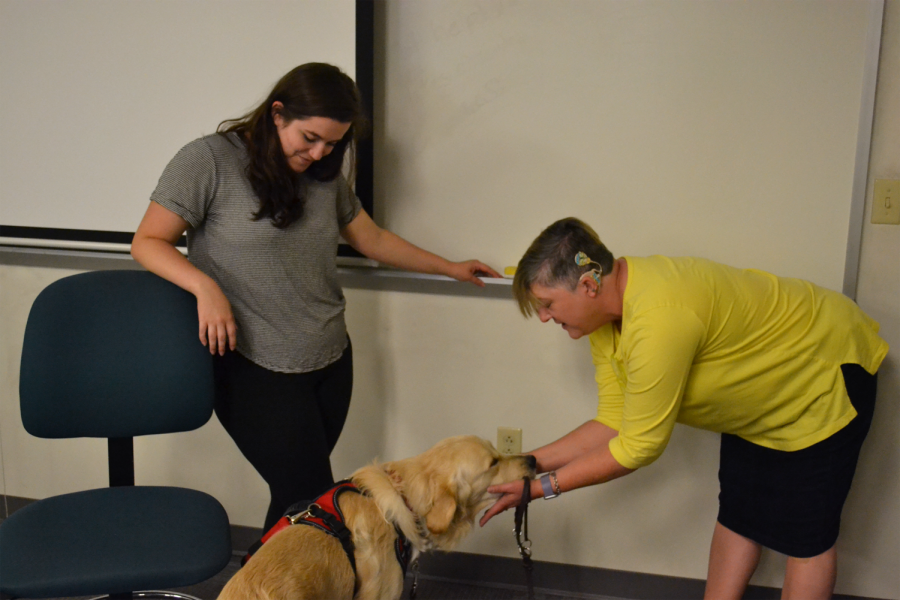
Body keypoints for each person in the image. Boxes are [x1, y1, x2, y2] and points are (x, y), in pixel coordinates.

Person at [132, 63, 500, 532]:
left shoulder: (325, 174)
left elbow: (373, 240)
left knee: (295, 501)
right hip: (252, 366)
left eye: (333, 143)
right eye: (309, 138)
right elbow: (147, 242)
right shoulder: (208, 160)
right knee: (313, 501)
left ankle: (260, 581)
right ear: (277, 114)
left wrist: (448, 266)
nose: (320, 152)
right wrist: (206, 287)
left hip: (330, 358)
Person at [480, 217, 888, 600]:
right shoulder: (605, 319)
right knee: (740, 514)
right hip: (759, 404)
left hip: (822, 375)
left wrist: (537, 489)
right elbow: (613, 422)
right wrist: (525, 463)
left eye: (548, 303)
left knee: (806, 537)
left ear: (589, 284)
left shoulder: (659, 316)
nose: (544, 317)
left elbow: (638, 447)